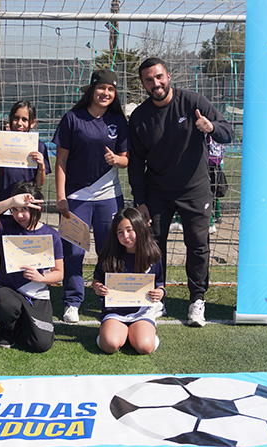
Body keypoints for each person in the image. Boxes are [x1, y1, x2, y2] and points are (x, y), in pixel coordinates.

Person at [128, 57, 233, 327]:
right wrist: (140, 201)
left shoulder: (193, 102)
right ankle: (156, 298)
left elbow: (228, 132)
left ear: (168, 76)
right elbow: (136, 163)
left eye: (159, 77)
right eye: (149, 80)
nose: (155, 83)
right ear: (143, 84)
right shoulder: (139, 117)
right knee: (153, 246)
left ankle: (197, 300)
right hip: (157, 193)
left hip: (195, 191)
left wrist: (211, 127)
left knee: (198, 246)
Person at [53, 69, 130, 324]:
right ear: (92, 90)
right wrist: (61, 196)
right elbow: (61, 160)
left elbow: (126, 159)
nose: (105, 93)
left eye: (111, 89)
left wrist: (116, 159)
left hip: (109, 195)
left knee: (110, 249)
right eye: (101, 88)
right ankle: (72, 301)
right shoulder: (72, 118)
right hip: (77, 196)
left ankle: (109, 298)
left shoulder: (118, 120)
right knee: (74, 251)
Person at [0, 181, 63, 351]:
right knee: (6, 304)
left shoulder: (51, 235)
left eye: (24, 209)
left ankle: (22, 325)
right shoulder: (6, 227)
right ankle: (7, 329)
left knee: (41, 344)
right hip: (8, 290)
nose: (19, 215)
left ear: (37, 208)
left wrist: (41, 277)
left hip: (36, 294)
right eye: (15, 210)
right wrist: (11, 201)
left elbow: (59, 273)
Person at [92, 207, 164, 354]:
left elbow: (160, 283)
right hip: (115, 312)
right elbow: (96, 280)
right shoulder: (109, 256)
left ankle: (143, 335)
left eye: (129, 230)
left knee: (144, 347)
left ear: (140, 228)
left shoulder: (152, 256)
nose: (125, 236)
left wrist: (160, 293)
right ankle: (115, 333)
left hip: (142, 312)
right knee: (110, 345)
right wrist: (98, 287)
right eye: (120, 232)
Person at [0, 100, 52, 203]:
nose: (19, 123)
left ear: (32, 123)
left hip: (28, 202)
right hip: (4, 202)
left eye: (24, 119)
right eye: (16, 118)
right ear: (10, 119)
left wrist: (41, 165)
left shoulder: (39, 147)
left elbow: (39, 183)